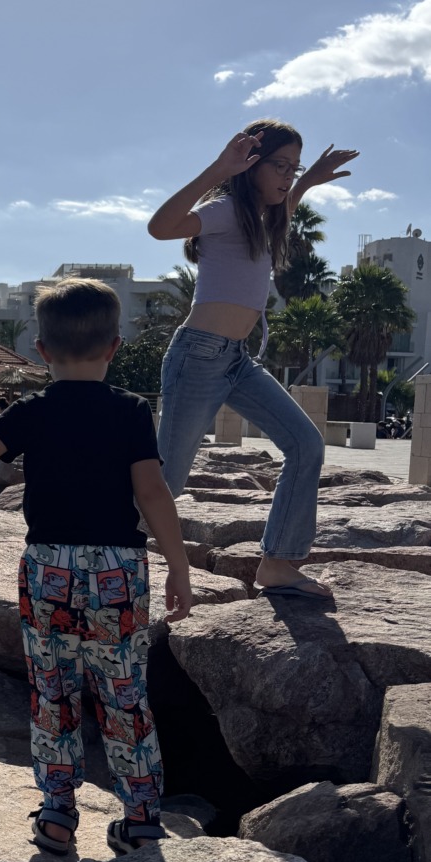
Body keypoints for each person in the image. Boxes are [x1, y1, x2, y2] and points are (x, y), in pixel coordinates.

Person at [0, 278, 193, 857]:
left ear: (40, 351)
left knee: (53, 692)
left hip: (48, 570)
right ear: (114, 347)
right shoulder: (132, 410)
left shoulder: (29, 412)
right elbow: (153, 493)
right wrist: (179, 567)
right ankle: (140, 819)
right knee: (124, 692)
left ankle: (58, 814)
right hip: (118, 570)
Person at [147, 121, 359, 599]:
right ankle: (97, 543)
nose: (287, 176)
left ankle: (278, 563)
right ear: (251, 165)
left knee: (306, 444)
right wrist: (219, 168)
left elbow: (286, 207)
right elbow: (160, 227)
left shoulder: (261, 218)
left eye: (292, 167)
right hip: (198, 356)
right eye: (279, 165)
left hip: (237, 360)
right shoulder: (224, 209)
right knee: (166, 481)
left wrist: (308, 181)